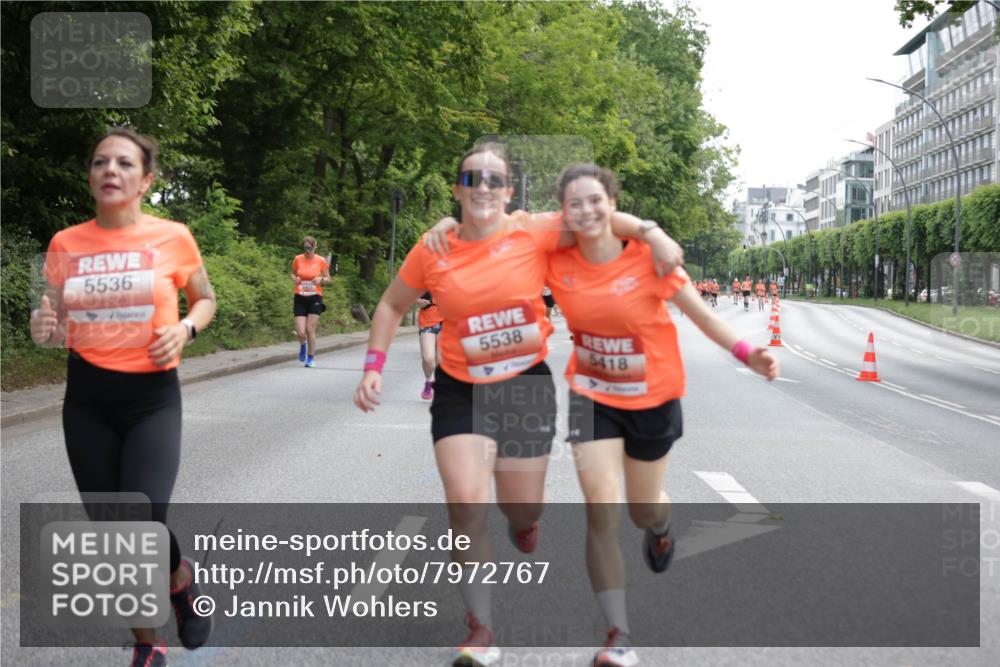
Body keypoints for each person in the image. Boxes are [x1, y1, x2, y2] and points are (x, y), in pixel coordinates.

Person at [354, 143, 684, 667]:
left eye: (494, 180)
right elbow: (393, 303)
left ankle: (523, 518)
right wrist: (372, 366)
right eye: (472, 178)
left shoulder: (534, 231)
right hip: (460, 387)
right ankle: (480, 628)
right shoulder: (433, 246)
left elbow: (597, 216)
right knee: (464, 502)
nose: (482, 187)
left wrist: (650, 231)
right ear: (459, 188)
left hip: (524, 385)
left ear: (508, 192)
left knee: (522, 508)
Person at [546, 164, 779, 667]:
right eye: (574, 204)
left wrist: (748, 353)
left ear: (613, 203)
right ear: (563, 212)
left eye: (595, 200)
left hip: (652, 400)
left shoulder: (648, 260)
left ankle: (661, 526)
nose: (586, 211)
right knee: (600, 509)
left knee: (642, 508)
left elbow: (702, 316)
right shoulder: (556, 256)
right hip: (592, 395)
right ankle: (617, 634)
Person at [29, 128, 217, 667]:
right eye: (100, 162)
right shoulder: (66, 243)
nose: (111, 170)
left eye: (125, 164)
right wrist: (42, 322)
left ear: (146, 180)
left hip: (152, 401)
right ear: (90, 177)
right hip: (88, 399)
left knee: (142, 520)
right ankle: (149, 641)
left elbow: (204, 298)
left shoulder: (174, 237)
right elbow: (50, 321)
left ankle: (176, 586)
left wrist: (185, 330)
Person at [292, 236, 331, 368]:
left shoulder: (321, 260)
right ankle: (303, 345)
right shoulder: (298, 259)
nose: (307, 250)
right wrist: (295, 279)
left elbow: (328, 278)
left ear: (315, 247)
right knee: (300, 331)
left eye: (310, 247)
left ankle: (310, 358)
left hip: (315, 297)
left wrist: (321, 279)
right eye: (305, 248)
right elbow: (292, 274)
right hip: (300, 297)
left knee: (310, 329)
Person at [417, 290, 443, 399]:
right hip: (427, 321)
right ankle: (428, 381)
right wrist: (417, 301)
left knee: (441, 360)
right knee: (428, 358)